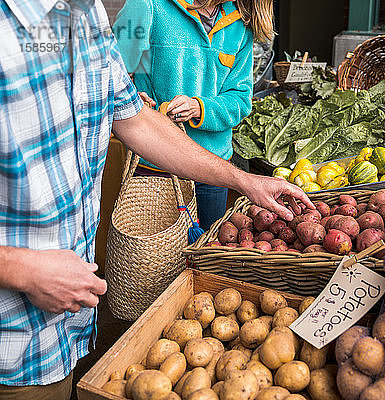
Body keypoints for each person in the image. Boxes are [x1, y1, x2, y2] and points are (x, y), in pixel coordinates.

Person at [0, 0, 311, 398]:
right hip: (12, 347)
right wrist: (23, 270)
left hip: (68, 335)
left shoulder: (87, 13)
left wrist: (246, 181)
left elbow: (132, 117)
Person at [113, 0, 272, 231]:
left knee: (204, 255)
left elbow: (240, 100)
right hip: (158, 165)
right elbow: (109, 71)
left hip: (214, 169)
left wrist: (200, 108)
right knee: (155, 259)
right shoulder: (148, 4)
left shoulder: (241, 24)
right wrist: (133, 97)